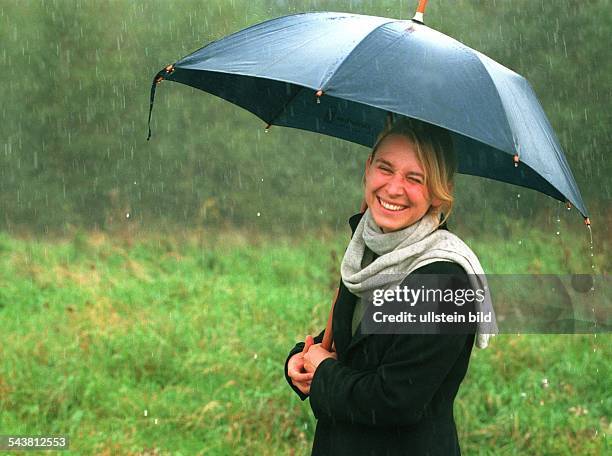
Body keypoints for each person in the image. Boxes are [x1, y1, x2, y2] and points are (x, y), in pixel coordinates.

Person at [284, 117, 495, 455]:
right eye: (385, 168)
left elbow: (393, 401)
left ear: (441, 192)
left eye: (415, 178)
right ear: (368, 168)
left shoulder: (443, 281)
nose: (394, 188)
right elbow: (359, 351)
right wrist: (301, 359)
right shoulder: (366, 247)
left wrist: (322, 369)